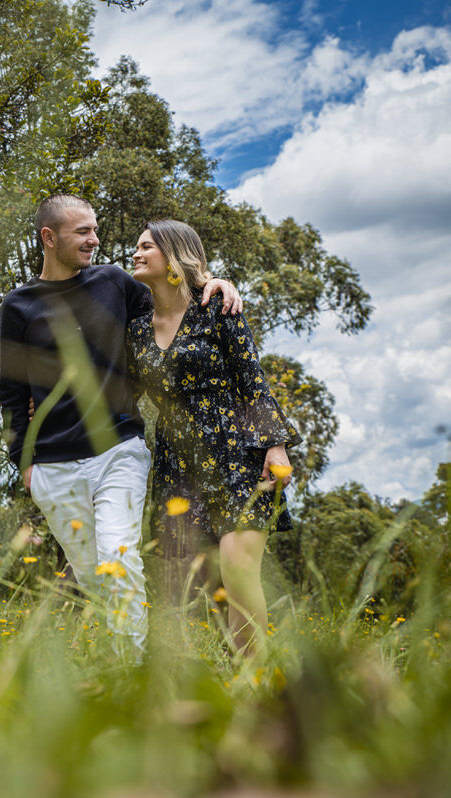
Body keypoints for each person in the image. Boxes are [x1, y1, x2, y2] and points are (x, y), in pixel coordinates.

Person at [0, 195, 241, 653]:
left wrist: (215, 282)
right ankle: (121, 664)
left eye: (95, 229)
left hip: (118, 452)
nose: (95, 240)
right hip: (53, 466)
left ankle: (133, 673)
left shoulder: (113, 282)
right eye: (82, 233)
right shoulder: (18, 306)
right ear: (49, 238)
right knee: (94, 579)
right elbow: (12, 390)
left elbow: (174, 304)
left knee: (119, 557)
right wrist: (23, 464)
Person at [126, 219, 299, 655]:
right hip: (177, 465)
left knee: (240, 572)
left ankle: (255, 679)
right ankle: (230, 676)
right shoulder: (137, 329)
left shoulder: (216, 307)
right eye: (136, 246)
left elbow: (252, 380)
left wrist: (275, 444)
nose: (136, 252)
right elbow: (117, 390)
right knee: (203, 586)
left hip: (236, 454)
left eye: (146, 246)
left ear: (174, 254)